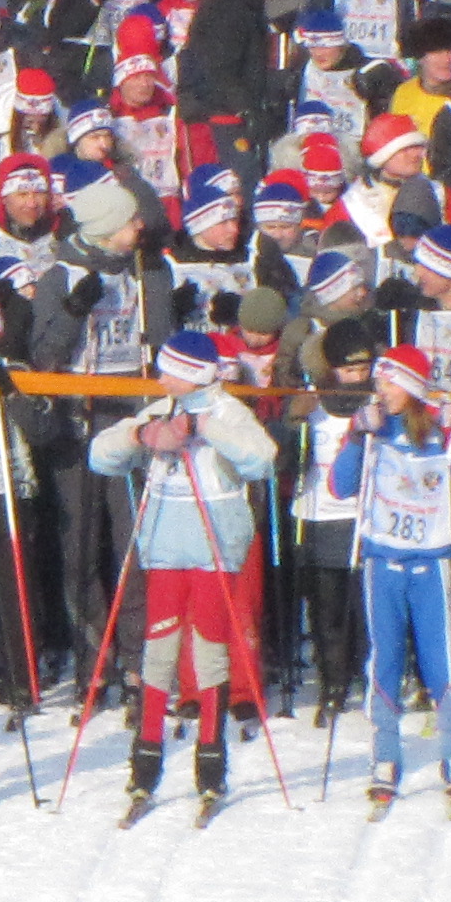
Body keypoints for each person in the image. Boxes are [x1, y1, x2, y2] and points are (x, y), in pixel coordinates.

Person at [86, 330, 281, 815]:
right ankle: (145, 765)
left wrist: (205, 428)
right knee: (159, 656)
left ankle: (211, 765)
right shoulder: (160, 410)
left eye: (168, 369)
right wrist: (142, 435)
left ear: (193, 373)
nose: (158, 376)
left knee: (211, 656)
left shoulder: (229, 412)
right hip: (165, 554)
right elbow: (100, 455)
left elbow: (263, 460)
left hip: (213, 554)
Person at [325, 345, 451, 803]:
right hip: (382, 561)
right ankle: (385, 752)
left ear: (411, 386)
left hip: (432, 562)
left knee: (439, 658)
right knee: (384, 659)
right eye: (379, 383)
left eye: (389, 383)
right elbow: (340, 486)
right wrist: (355, 437)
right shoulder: (373, 428)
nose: (380, 391)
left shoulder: (439, 432)